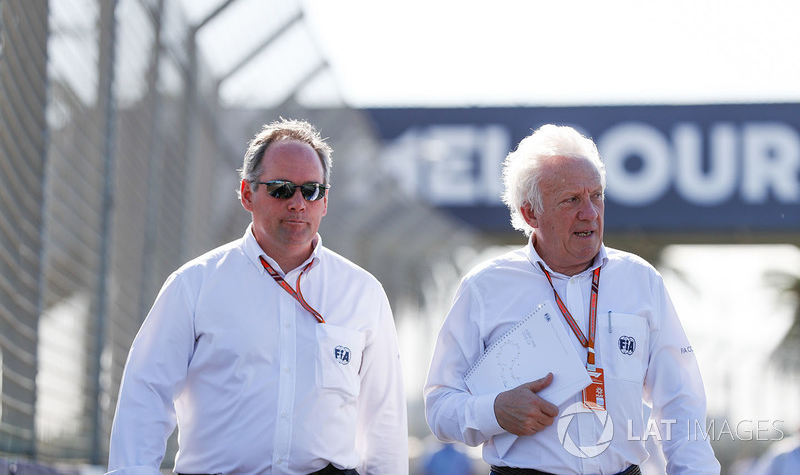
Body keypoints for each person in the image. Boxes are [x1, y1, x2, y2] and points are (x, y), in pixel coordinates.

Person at [107, 119, 408, 475]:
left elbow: (384, 419)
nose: (298, 203)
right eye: (281, 189)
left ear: (325, 201)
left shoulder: (363, 293)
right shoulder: (193, 285)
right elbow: (146, 394)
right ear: (247, 194)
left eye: (311, 191)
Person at [423, 124, 720, 475]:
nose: (590, 213)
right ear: (531, 213)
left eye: (596, 195)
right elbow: (439, 406)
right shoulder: (485, 287)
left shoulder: (641, 281)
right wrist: (494, 411)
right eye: (571, 200)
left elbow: (679, 402)